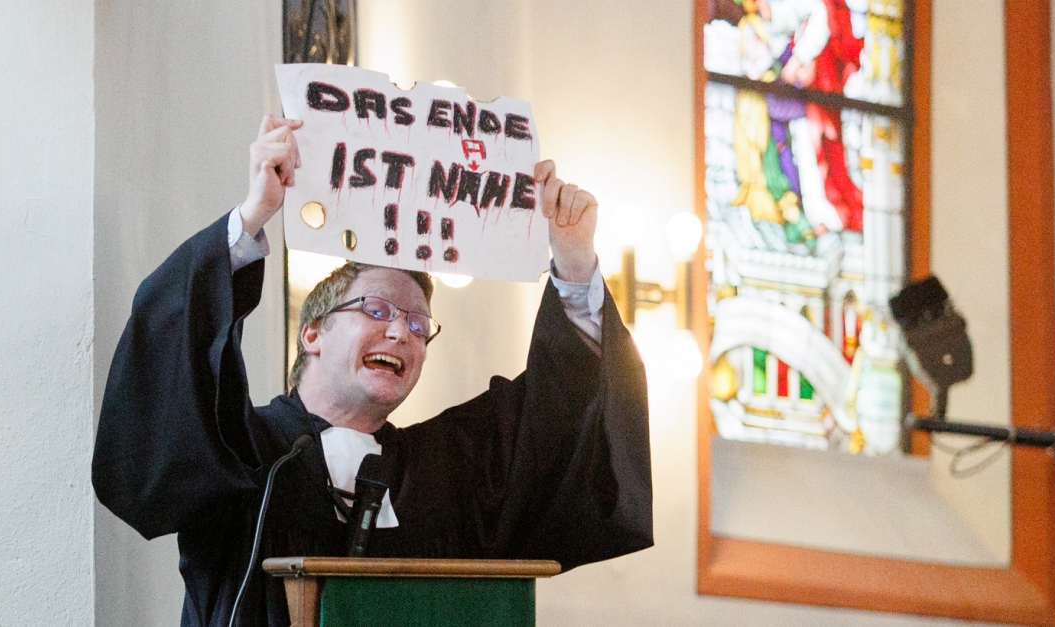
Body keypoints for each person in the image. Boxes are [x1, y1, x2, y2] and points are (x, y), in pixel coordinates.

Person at [92, 115, 653, 627]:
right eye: (377, 310)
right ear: (311, 333)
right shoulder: (242, 447)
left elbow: (557, 417)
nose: (400, 332)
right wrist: (252, 218)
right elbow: (173, 372)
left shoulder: (449, 470)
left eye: (417, 324)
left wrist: (575, 264)